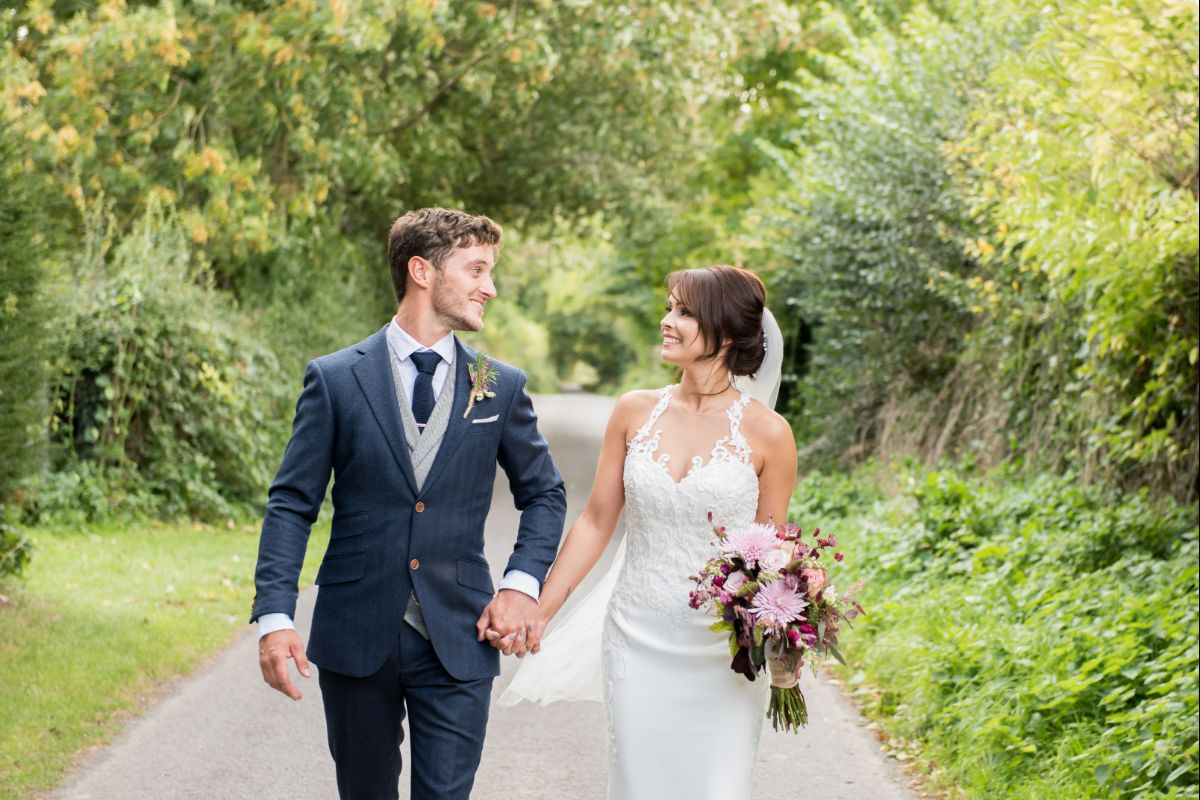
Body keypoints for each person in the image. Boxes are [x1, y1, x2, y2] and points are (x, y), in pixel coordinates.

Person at [250, 207, 567, 800]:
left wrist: (521, 585)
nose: (489, 287)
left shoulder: (499, 384)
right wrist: (275, 616)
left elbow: (545, 493)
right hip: (355, 631)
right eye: (475, 270)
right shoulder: (337, 378)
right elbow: (293, 502)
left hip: (459, 633)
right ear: (422, 270)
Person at [498, 265, 797, 798]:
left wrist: (788, 634)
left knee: (716, 788)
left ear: (726, 331)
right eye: (668, 307)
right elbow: (595, 520)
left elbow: (770, 558)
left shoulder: (770, 434)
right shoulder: (634, 411)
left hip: (721, 649)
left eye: (684, 312)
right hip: (636, 634)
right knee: (639, 785)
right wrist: (541, 610)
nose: (666, 321)